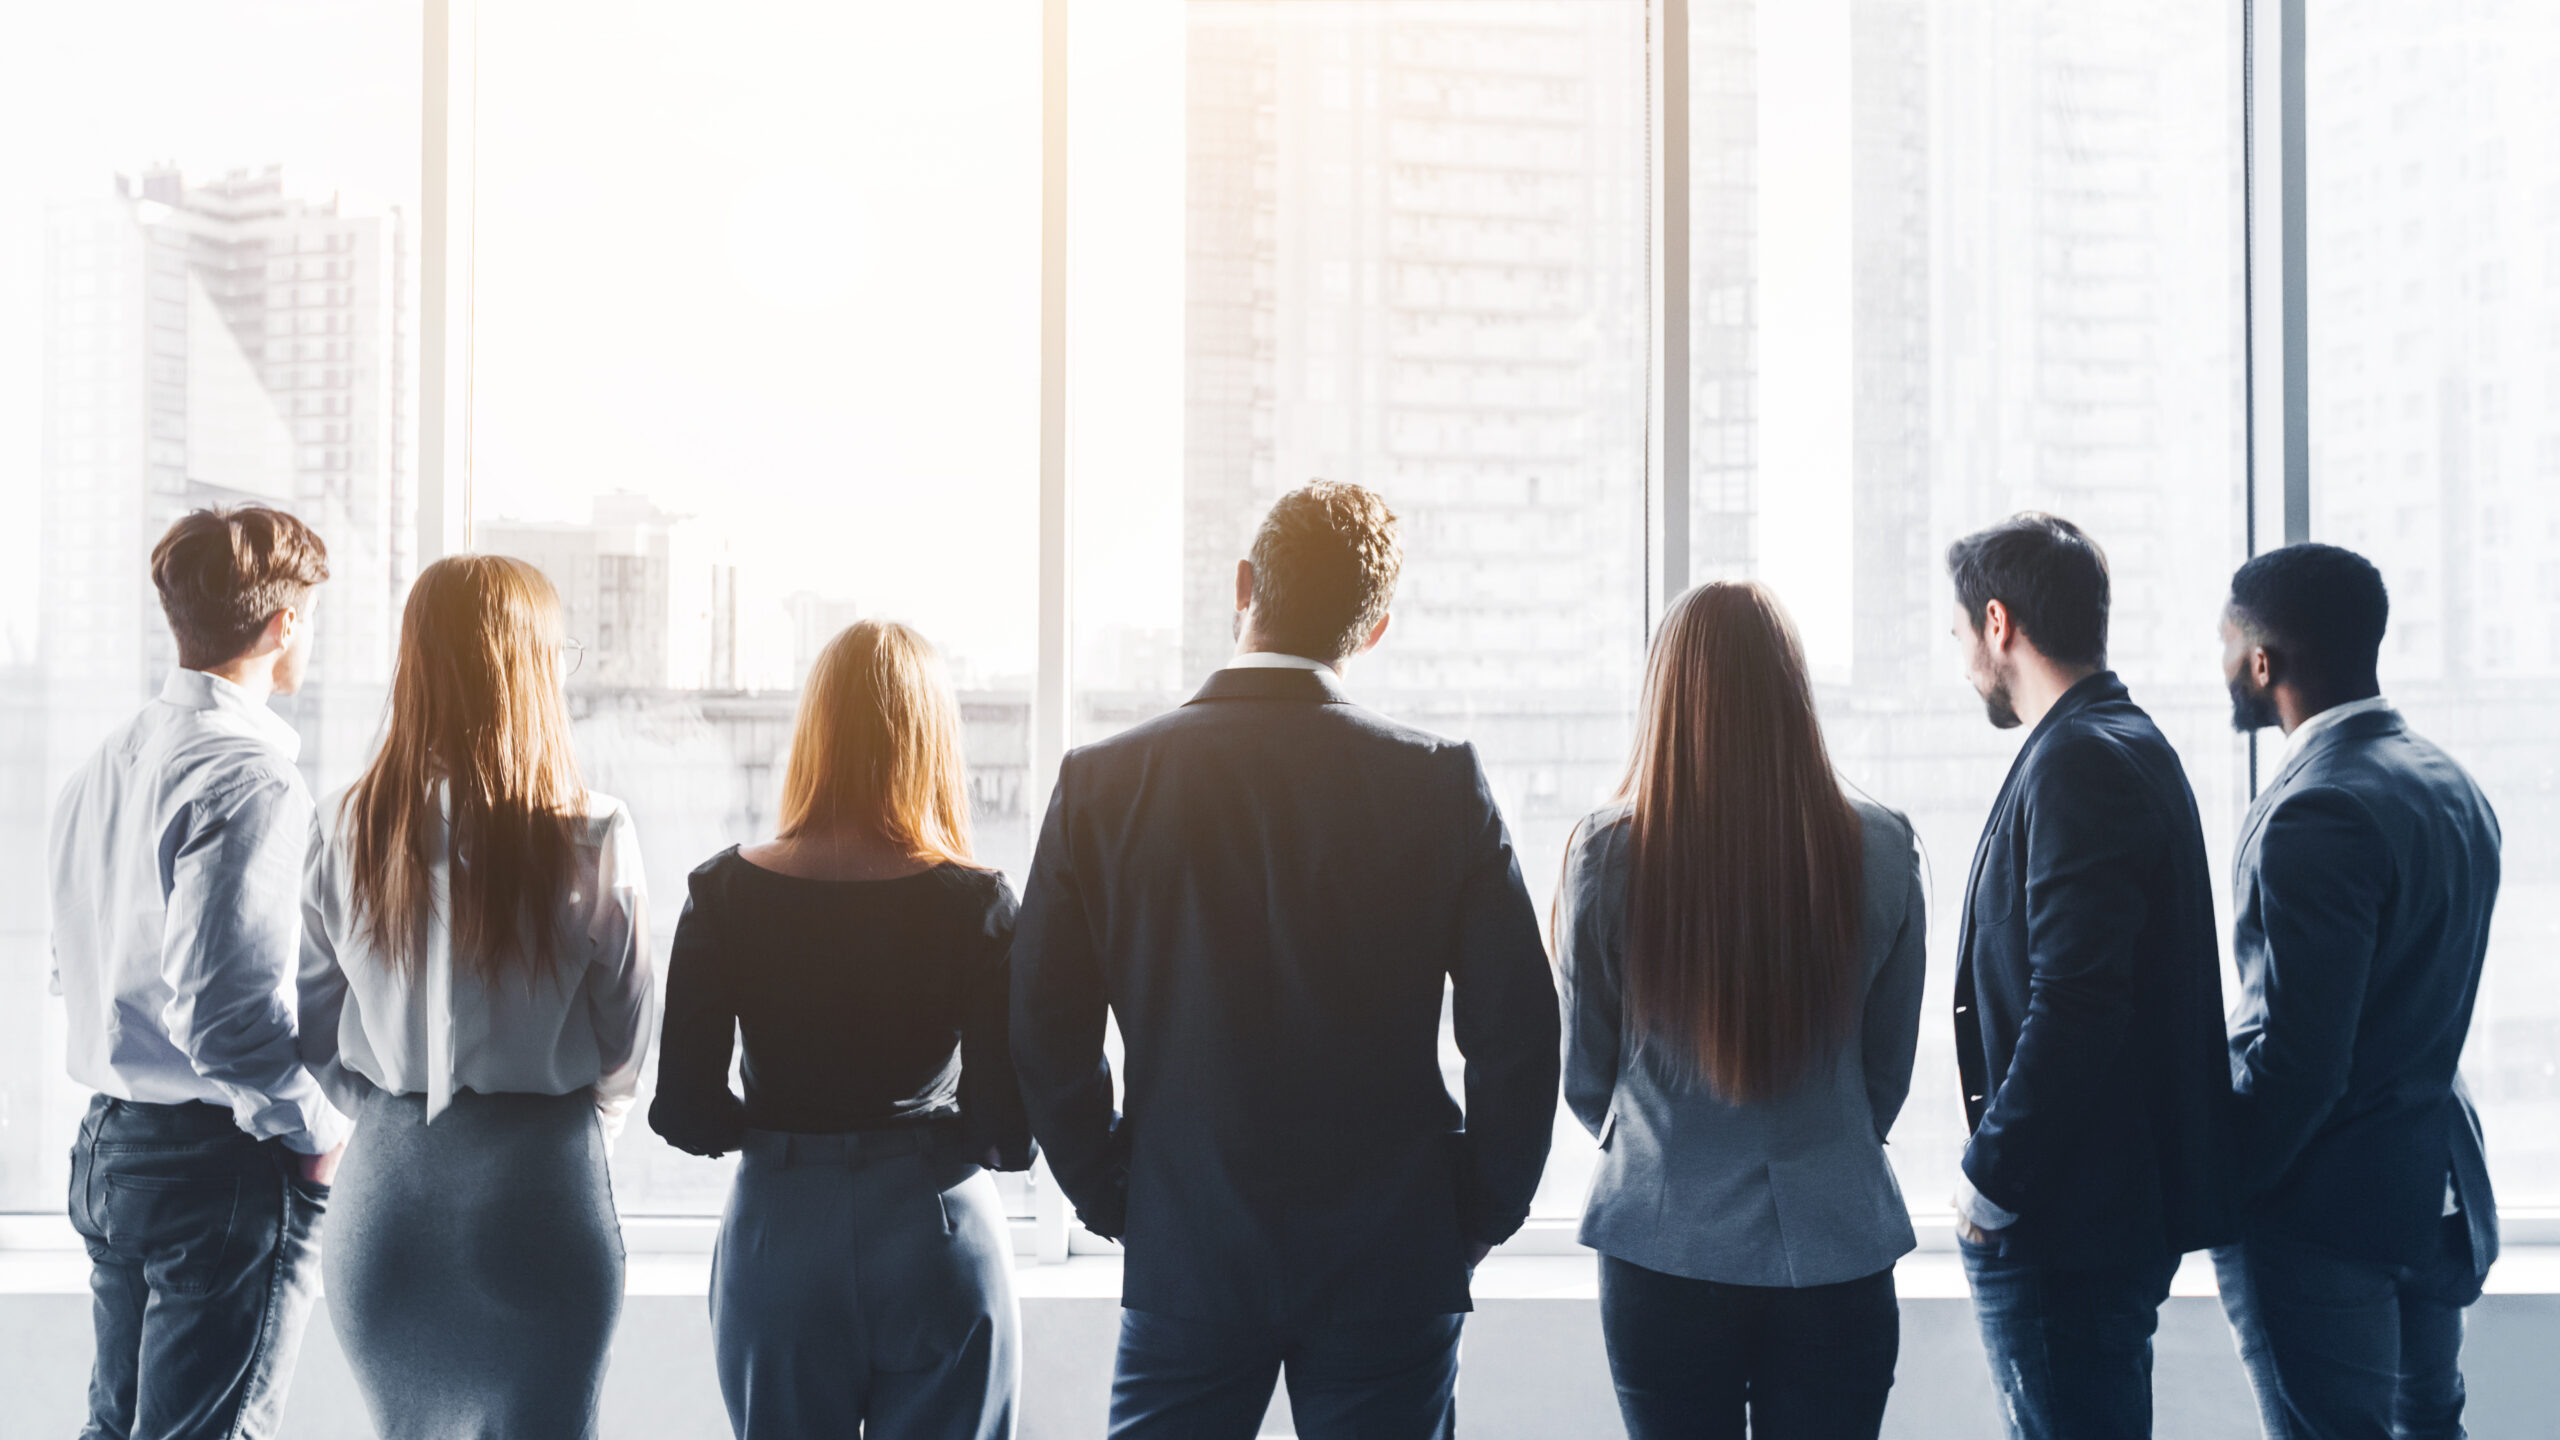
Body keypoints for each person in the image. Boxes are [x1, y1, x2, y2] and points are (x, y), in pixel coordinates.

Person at [1010, 481, 1561, 1439]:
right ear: (1376, 628)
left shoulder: (1102, 785)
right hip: (1392, 1256)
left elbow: (1043, 1028)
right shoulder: (1439, 785)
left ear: (1243, 584)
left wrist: (1114, 1194)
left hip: (1189, 1246)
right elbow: (1518, 1035)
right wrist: (1474, 1211)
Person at [1557, 581, 1927, 1440]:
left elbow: (1586, 1074)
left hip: (1661, 1241)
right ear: (1793, 693)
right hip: (1837, 1243)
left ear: (1667, 695)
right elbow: (1887, 1072)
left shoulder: (1609, 854)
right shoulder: (1883, 845)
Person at [650, 619, 1034, 1440]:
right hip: (936, 1231)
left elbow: (683, 1111)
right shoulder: (981, 903)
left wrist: (787, 1140)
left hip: (781, 1233)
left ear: (814, 733)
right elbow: (1007, 1129)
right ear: (933, 741)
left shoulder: (721, 892)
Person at [298, 554, 652, 1440]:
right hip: (541, 1189)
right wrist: (566, 1126)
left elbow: (307, 1026)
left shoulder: (344, 822)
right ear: (533, 669)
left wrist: (385, 1110)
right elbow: (626, 1040)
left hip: (387, 1201)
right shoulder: (592, 832)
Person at [50, 506, 343, 1440]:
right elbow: (226, 1021)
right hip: (210, 1165)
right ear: (283, 623)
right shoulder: (249, 774)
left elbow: (76, 963)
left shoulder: (105, 762)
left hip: (109, 1146)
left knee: (118, 1427)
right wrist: (314, 1137)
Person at [1944, 514, 2234, 1440]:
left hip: (2066, 1222)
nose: (1962, 664)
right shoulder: (2119, 741)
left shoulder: (2078, 760)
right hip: (2096, 1215)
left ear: (1999, 625)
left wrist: (1990, 1178)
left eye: (1959, 637)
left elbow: (2074, 1000)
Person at [2210, 544, 2501, 1440]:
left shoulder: (2316, 809)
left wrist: (2225, 1189)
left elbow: (2301, 1058)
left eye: (2225, 645)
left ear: (2264, 661)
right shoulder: (2452, 783)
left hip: (2322, 1214)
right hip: (2426, 1189)